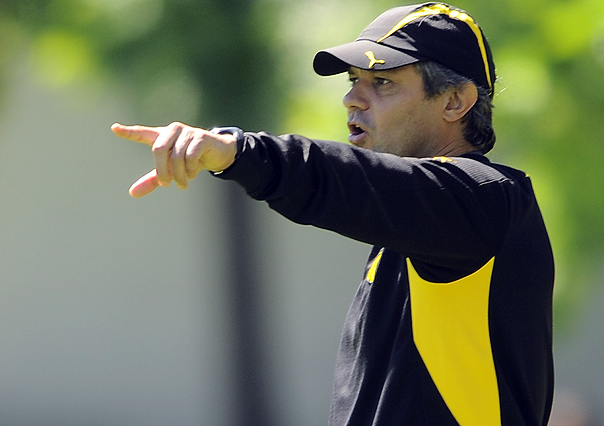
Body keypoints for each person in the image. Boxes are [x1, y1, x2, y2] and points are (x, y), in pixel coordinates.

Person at [112, 2, 555, 425]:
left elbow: (341, 179)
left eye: (381, 83)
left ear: (456, 101)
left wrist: (240, 151)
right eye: (353, 81)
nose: (352, 100)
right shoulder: (416, 223)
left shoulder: (488, 201)